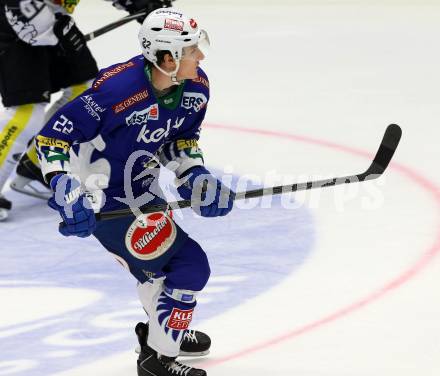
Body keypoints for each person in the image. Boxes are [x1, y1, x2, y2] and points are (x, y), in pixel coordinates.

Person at [35, 7, 234, 376]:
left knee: (156, 273)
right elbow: (53, 137)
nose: (201, 57)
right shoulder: (116, 90)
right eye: (191, 50)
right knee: (189, 266)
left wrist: (195, 174)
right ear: (166, 58)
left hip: (141, 188)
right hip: (102, 198)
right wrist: (64, 185)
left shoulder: (197, 87)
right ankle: (158, 359)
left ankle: (165, 329)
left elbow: (180, 140)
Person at [0, 0, 172, 220]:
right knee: (26, 112)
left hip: (52, 17)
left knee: (86, 90)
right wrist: (49, 27)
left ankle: (38, 165)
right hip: (15, 23)